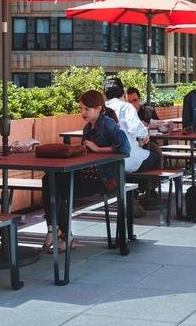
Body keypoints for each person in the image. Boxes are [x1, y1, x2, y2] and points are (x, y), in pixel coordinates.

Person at [42, 90, 131, 252]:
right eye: (81, 108)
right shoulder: (87, 128)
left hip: (105, 179)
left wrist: (98, 149)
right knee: (50, 179)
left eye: (86, 109)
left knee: (56, 188)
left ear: (98, 108)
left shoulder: (108, 123)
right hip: (88, 174)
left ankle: (63, 235)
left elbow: (125, 148)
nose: (82, 112)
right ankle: (55, 230)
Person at [104, 78, 158, 174]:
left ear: (104, 94)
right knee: (156, 156)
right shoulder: (126, 107)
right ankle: (147, 184)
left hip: (107, 161)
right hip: (128, 159)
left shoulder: (102, 108)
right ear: (123, 92)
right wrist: (144, 135)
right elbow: (136, 128)